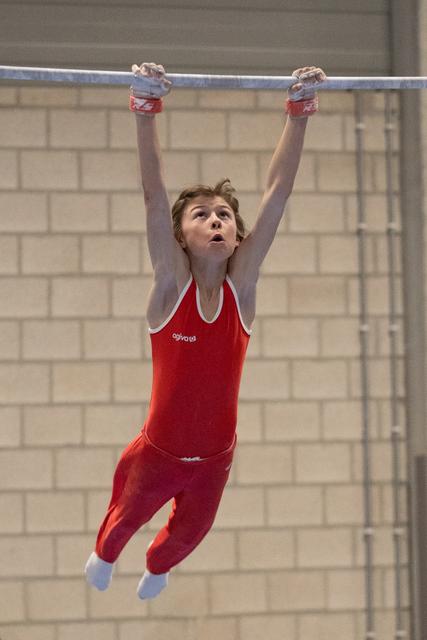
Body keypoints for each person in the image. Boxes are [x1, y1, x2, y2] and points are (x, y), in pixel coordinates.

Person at [85, 61, 327, 600]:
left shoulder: (243, 288)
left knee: (187, 536)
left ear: (239, 237)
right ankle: (103, 555)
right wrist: (146, 108)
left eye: (224, 215)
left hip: (216, 457)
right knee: (123, 523)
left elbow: (278, 195)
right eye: (201, 215)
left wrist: (300, 111)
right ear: (178, 236)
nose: (216, 221)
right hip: (160, 453)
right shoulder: (171, 287)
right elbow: (153, 198)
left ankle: (158, 566)